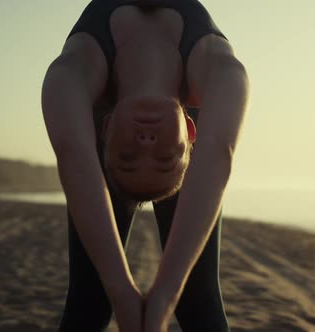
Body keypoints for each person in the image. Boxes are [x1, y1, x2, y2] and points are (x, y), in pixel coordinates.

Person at [41, 0, 248, 331]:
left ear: (106, 129)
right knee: (198, 298)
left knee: (89, 300)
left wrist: (122, 292)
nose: (146, 145)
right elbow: (218, 151)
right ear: (192, 132)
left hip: (101, 114)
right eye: (166, 158)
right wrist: (166, 294)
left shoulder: (75, 70)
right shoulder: (219, 68)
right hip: (187, 114)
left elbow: (73, 152)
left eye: (127, 157)